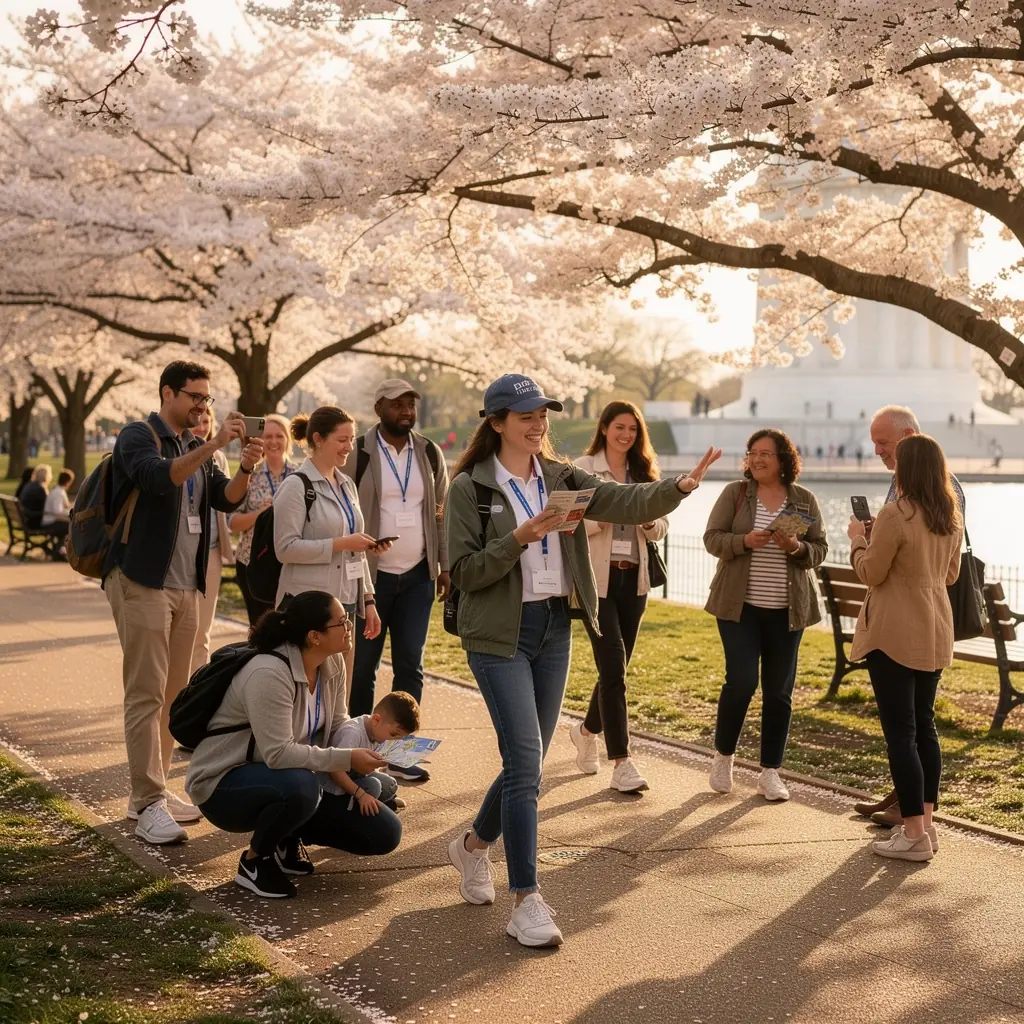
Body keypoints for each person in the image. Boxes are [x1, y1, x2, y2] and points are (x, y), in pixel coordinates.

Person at [444, 373, 721, 948]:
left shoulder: (562, 475)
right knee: (525, 763)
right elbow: (464, 574)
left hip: (553, 628)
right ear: (496, 423)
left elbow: (627, 499)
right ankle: (527, 899)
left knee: (530, 763)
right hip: (499, 636)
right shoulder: (472, 488)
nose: (538, 423)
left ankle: (471, 847)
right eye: (525, 416)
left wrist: (683, 486)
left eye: (543, 413)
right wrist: (521, 535)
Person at [103, 360, 263, 846]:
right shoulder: (138, 436)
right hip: (141, 581)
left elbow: (226, 499)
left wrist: (246, 465)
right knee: (146, 692)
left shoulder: (199, 448)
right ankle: (147, 801)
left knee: (175, 698)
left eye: (206, 399)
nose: (202, 405)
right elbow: (157, 480)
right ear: (168, 393)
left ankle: (151, 793)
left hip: (187, 586)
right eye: (194, 396)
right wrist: (214, 443)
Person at [184, 591, 401, 898]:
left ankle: (287, 837)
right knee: (302, 788)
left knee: (385, 833)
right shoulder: (269, 673)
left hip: (292, 777)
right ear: (314, 636)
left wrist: (364, 747)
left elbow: (338, 725)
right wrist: (346, 758)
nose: (349, 625)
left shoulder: (333, 662)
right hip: (225, 783)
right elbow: (277, 753)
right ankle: (254, 861)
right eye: (341, 622)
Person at [847, 435, 962, 862]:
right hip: (934, 626)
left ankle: (912, 833)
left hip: (895, 629)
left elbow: (872, 573)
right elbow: (950, 575)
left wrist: (859, 539)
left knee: (901, 733)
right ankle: (926, 826)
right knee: (925, 728)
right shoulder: (950, 518)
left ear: (905, 470)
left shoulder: (895, 513)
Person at [703, 429, 828, 802]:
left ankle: (770, 772)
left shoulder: (804, 500)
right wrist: (744, 541)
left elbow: (819, 550)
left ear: (784, 460)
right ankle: (724, 757)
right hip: (738, 608)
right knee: (740, 683)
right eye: (752, 453)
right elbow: (712, 538)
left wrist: (795, 546)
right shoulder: (736, 494)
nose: (757, 460)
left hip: (787, 613)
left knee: (779, 692)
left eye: (765, 454)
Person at [344, 380, 450, 779]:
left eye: (411, 404)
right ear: (379, 408)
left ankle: (401, 755)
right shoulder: (359, 451)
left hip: (417, 577)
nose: (406, 410)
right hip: (372, 579)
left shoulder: (428, 451)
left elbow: (440, 512)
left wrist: (443, 565)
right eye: (397, 404)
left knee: (411, 665)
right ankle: (359, 755)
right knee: (363, 667)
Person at [569, 401, 670, 794]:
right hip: (598, 582)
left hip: (635, 581)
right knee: (613, 667)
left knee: (617, 667)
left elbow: (661, 526)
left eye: (632, 428)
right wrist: (608, 517)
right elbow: (569, 523)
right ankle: (622, 762)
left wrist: (648, 520)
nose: (626, 435)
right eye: (619, 427)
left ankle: (586, 730)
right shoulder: (582, 469)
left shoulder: (644, 472)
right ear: (605, 428)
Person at [274, 407, 390, 689]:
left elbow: (355, 550)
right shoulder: (295, 485)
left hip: (346, 607)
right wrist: (341, 544)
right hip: (311, 613)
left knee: (339, 698)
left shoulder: (347, 484)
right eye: (342, 440)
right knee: (304, 693)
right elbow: (285, 549)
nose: (350, 447)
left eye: (352, 439)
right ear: (318, 439)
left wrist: (369, 602)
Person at [228, 414, 296, 626]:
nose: (274, 442)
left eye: (279, 436)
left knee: (290, 629)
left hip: (291, 564)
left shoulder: (300, 475)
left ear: (288, 440)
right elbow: (232, 522)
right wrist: (262, 513)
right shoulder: (249, 474)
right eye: (268, 437)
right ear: (260, 440)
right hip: (254, 563)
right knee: (259, 629)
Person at [319, 691, 420, 811]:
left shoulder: (378, 729)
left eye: (399, 739)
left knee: (390, 783)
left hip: (358, 775)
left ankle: (376, 803)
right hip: (335, 785)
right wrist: (361, 794)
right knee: (374, 786)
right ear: (376, 720)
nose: (393, 740)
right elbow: (335, 771)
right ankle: (354, 809)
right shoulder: (353, 733)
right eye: (393, 734)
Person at [190, 409, 236, 675]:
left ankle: (195, 686)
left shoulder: (218, 458)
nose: (201, 427)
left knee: (203, 629)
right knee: (182, 628)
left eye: (206, 422)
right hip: (184, 553)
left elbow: (225, 504)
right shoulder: (179, 455)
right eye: (197, 422)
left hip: (211, 553)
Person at [42, 468, 74, 559]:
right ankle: (57, 552)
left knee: (68, 525)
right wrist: (70, 514)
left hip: (49, 520)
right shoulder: (59, 492)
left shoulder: (57, 490)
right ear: (68, 482)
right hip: (49, 522)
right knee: (71, 527)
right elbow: (57, 511)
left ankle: (57, 550)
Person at [18, 464, 50, 530]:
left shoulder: (28, 485)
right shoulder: (40, 489)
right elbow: (47, 506)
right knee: (62, 525)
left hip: (26, 519)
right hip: (33, 522)